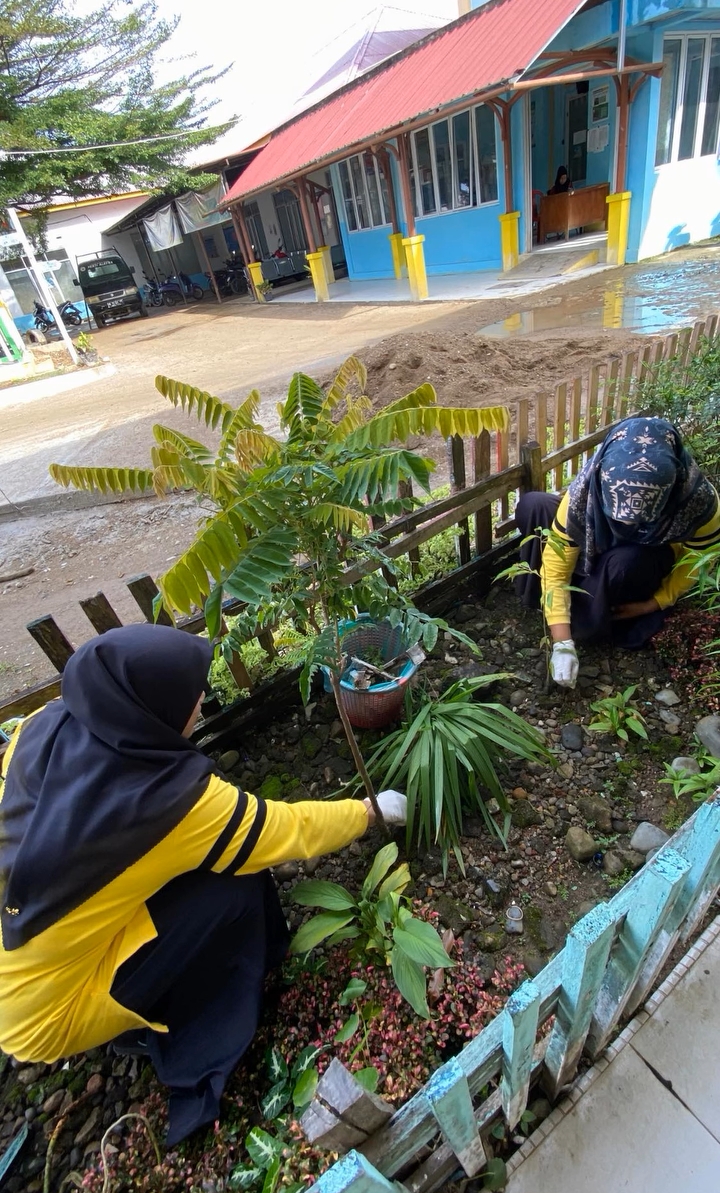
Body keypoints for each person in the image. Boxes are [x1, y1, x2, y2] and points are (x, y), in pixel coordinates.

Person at [0, 624, 406, 1144]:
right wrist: (369, 811)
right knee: (232, 885)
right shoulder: (167, 803)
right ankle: (182, 1027)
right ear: (157, 711)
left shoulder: (41, 725)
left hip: (22, 941)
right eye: (194, 697)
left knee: (183, 869)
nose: (202, 702)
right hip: (44, 1014)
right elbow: (289, 830)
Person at [515, 417, 720, 688]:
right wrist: (562, 643)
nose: (625, 526)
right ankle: (551, 603)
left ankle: (591, 617)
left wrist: (655, 602)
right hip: (590, 542)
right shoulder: (582, 495)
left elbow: (698, 561)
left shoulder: (699, 503)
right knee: (534, 504)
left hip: (639, 559)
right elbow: (556, 566)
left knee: (627, 562)